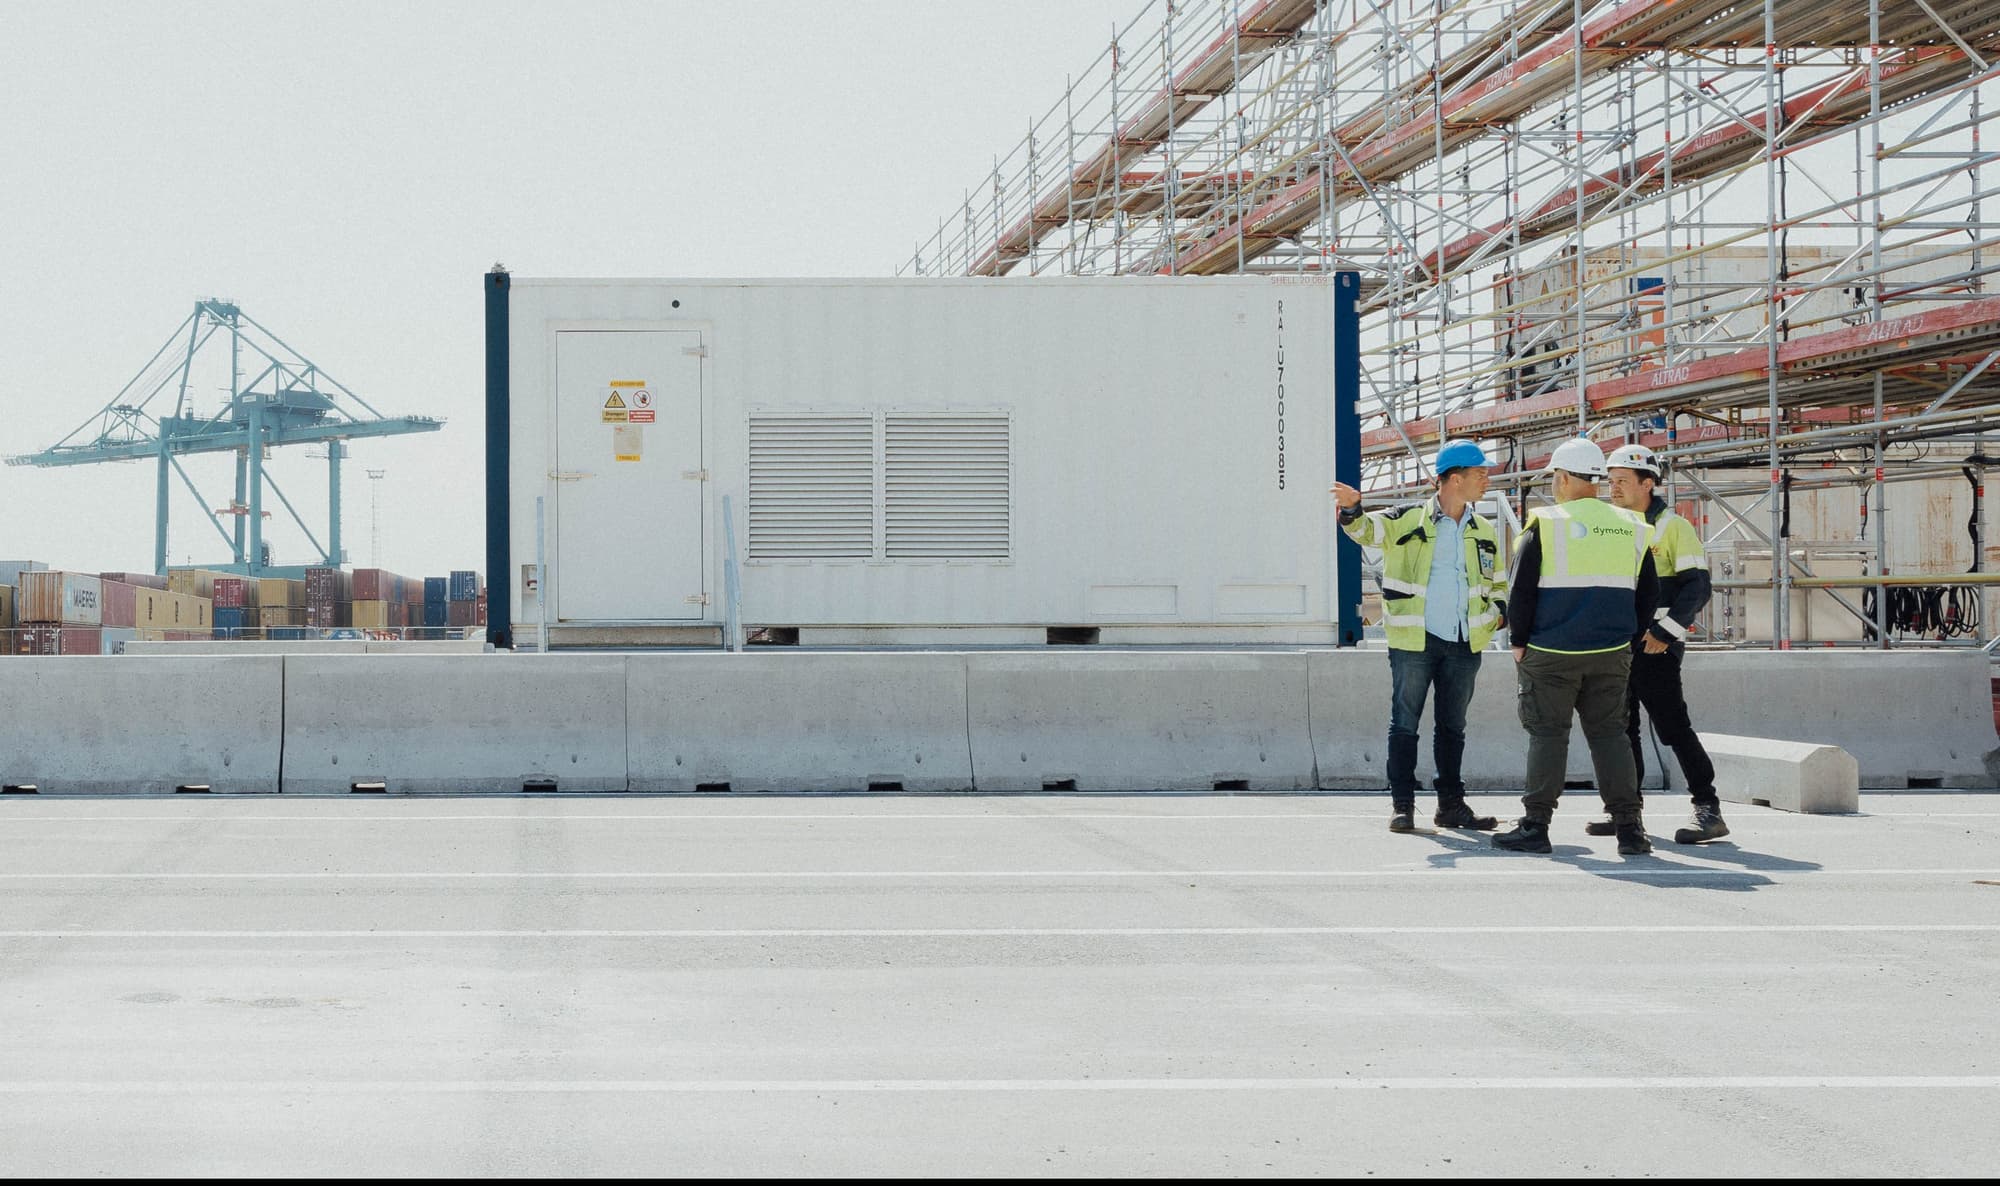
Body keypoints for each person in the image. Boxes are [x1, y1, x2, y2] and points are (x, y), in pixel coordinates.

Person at [1491, 437, 1659, 855]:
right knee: (1611, 735)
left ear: (1563, 478)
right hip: (1611, 651)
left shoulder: (1546, 523)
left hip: (1551, 652)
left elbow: (1522, 590)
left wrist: (1518, 641)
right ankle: (1630, 828)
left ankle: (1536, 825)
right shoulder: (1633, 526)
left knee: (1548, 735)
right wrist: (1625, 637)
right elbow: (1649, 594)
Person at [1332, 439, 1508, 833]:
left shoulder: (1483, 530)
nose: (1487, 479)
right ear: (1456, 479)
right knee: (1405, 724)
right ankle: (1403, 806)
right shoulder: (1408, 519)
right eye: (1481, 473)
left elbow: (1498, 582)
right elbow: (1366, 530)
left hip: (1465, 643)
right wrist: (1351, 508)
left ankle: (1451, 807)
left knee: (1452, 728)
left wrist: (1497, 614)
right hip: (1415, 642)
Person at [1596, 443, 1728, 844]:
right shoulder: (1611, 525)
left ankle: (1708, 807)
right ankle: (1627, 812)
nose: (1613, 489)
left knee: (1672, 728)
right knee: (1624, 729)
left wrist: (1666, 633)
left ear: (1647, 483)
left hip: (1656, 647)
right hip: (1619, 645)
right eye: (1610, 481)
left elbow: (1697, 586)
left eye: (1621, 481)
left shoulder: (1673, 527)